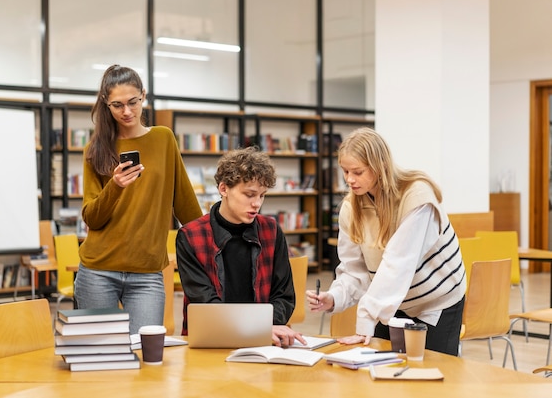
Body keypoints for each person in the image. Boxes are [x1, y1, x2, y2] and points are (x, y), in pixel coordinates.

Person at [306, 128, 465, 356]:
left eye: (358, 172)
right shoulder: (351, 208)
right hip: (393, 301)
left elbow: (398, 264)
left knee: (430, 372)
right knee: (382, 369)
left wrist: (366, 319)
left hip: (435, 302)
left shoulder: (416, 196)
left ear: (379, 166)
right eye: (345, 171)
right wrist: (334, 297)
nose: (350, 179)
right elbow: (355, 270)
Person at [75, 64, 202, 334]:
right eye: (117, 105)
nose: (127, 112)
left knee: (147, 356)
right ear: (106, 104)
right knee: (100, 358)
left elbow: (186, 205)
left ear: (144, 95)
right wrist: (116, 186)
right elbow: (92, 218)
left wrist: (214, 245)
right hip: (98, 270)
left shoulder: (163, 139)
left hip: (148, 273)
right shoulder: (94, 150)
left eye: (133, 102)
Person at [176, 146, 307, 347]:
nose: (257, 203)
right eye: (249, 194)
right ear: (223, 189)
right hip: (210, 340)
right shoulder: (191, 236)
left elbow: (284, 296)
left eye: (262, 195)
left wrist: (263, 328)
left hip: (263, 343)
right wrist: (257, 328)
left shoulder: (271, 230)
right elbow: (205, 304)